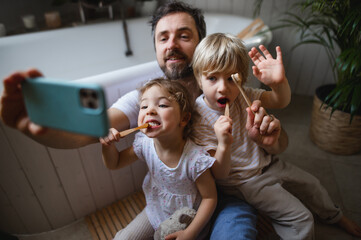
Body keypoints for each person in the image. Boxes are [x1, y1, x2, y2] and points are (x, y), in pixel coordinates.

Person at [1, 1, 271, 239]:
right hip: (173, 203)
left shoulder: (227, 86)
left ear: (202, 41)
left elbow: (274, 138)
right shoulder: (147, 99)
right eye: (162, 38)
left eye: (183, 36)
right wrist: (36, 129)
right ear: (155, 47)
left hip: (231, 190)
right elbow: (87, 131)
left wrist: (273, 135)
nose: (172, 45)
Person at [191, 32, 361, 239]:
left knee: (313, 185)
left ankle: (334, 217)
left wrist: (278, 83)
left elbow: (280, 101)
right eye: (212, 78)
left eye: (231, 78)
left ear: (242, 79)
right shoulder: (198, 118)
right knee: (302, 219)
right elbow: (219, 174)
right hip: (244, 182)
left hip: (269, 162)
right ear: (199, 79)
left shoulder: (245, 95)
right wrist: (223, 144)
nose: (223, 88)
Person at [100, 78, 217, 240]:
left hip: (187, 220)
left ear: (183, 119)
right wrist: (107, 145)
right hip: (156, 209)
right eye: (144, 106)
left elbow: (210, 197)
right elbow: (115, 163)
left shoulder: (195, 159)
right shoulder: (144, 144)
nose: (150, 111)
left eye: (162, 105)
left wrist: (191, 232)